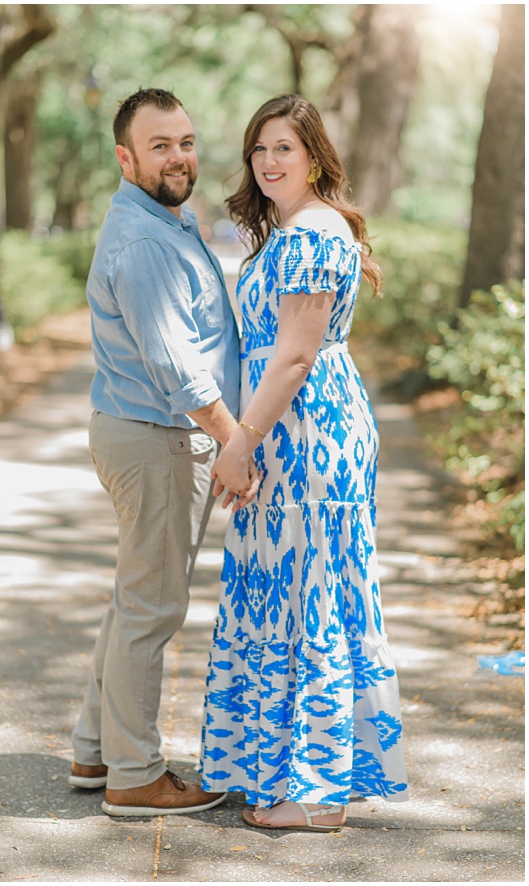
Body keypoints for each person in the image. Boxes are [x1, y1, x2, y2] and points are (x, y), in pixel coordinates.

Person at [200, 94, 409, 832]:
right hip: (282, 424)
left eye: (284, 147)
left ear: (315, 156)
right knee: (283, 587)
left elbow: (294, 355)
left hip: (309, 428)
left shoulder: (316, 233)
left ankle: (319, 797)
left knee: (312, 586)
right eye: (259, 148)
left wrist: (240, 441)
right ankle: (284, 768)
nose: (267, 161)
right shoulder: (289, 232)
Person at [69, 88, 259, 817]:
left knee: (133, 601)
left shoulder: (163, 219)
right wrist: (233, 437)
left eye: (184, 140)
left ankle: (97, 748)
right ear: (125, 157)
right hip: (159, 442)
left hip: (150, 436)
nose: (178, 156)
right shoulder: (147, 239)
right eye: (159, 145)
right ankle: (136, 776)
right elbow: (176, 368)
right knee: (153, 607)